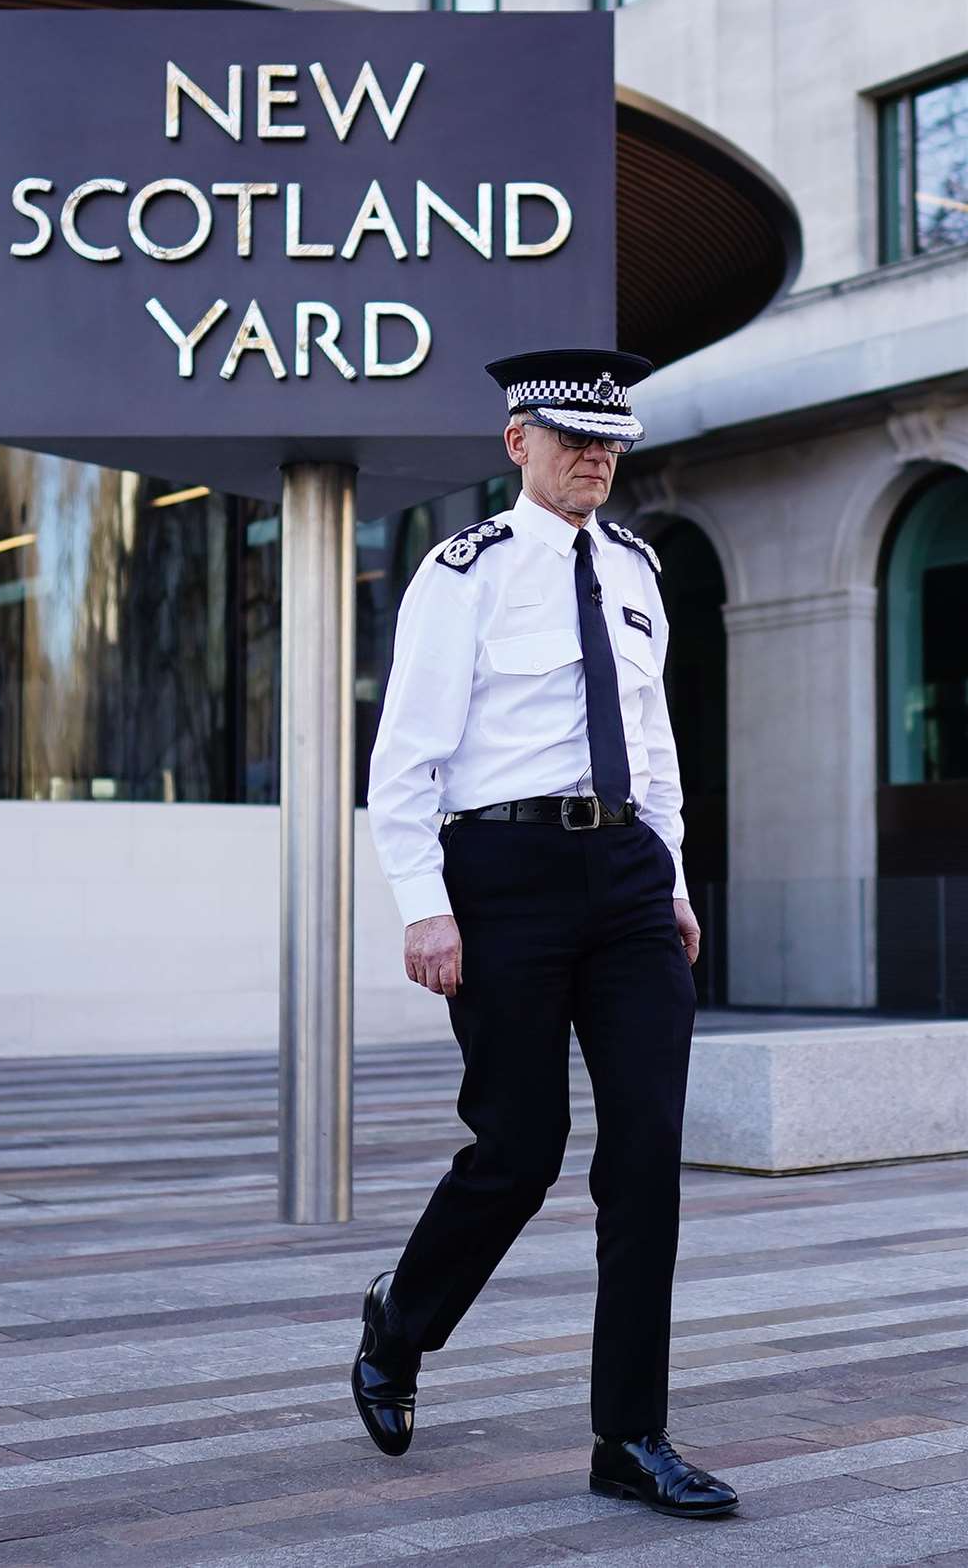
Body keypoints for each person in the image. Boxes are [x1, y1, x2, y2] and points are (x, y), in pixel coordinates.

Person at [352, 349, 739, 1521]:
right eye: (574, 438)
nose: (597, 457)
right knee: (518, 1150)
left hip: (625, 876)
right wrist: (425, 902)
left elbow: (655, 739)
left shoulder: (634, 569)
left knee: (646, 1156)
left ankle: (630, 1435)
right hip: (503, 877)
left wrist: (668, 876)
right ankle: (398, 1323)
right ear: (517, 441)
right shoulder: (458, 574)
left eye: (611, 440)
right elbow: (404, 760)